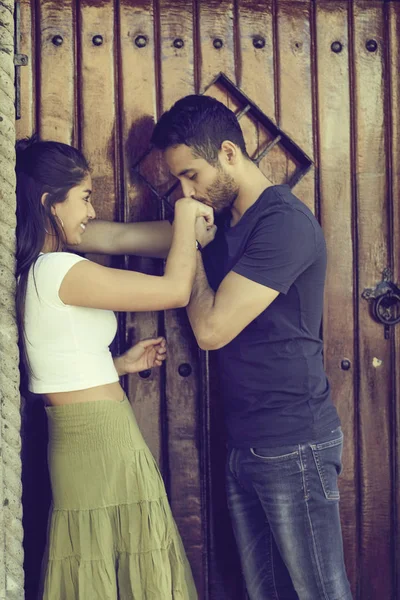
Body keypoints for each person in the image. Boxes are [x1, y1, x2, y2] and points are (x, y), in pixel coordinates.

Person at [147, 95, 353, 600]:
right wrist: (66, 234)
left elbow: (211, 330)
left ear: (229, 153)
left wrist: (189, 246)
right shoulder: (221, 221)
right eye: (179, 182)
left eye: (191, 175)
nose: (186, 192)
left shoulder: (281, 223)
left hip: (294, 444)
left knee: (320, 593)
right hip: (246, 443)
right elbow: (140, 237)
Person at [16, 137, 215, 600]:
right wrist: (185, 216)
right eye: (84, 197)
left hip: (83, 437)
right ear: (49, 202)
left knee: (99, 566)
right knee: (130, 570)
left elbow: (57, 360)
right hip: (102, 441)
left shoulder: (37, 270)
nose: (90, 209)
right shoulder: (58, 270)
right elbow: (173, 291)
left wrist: (116, 366)